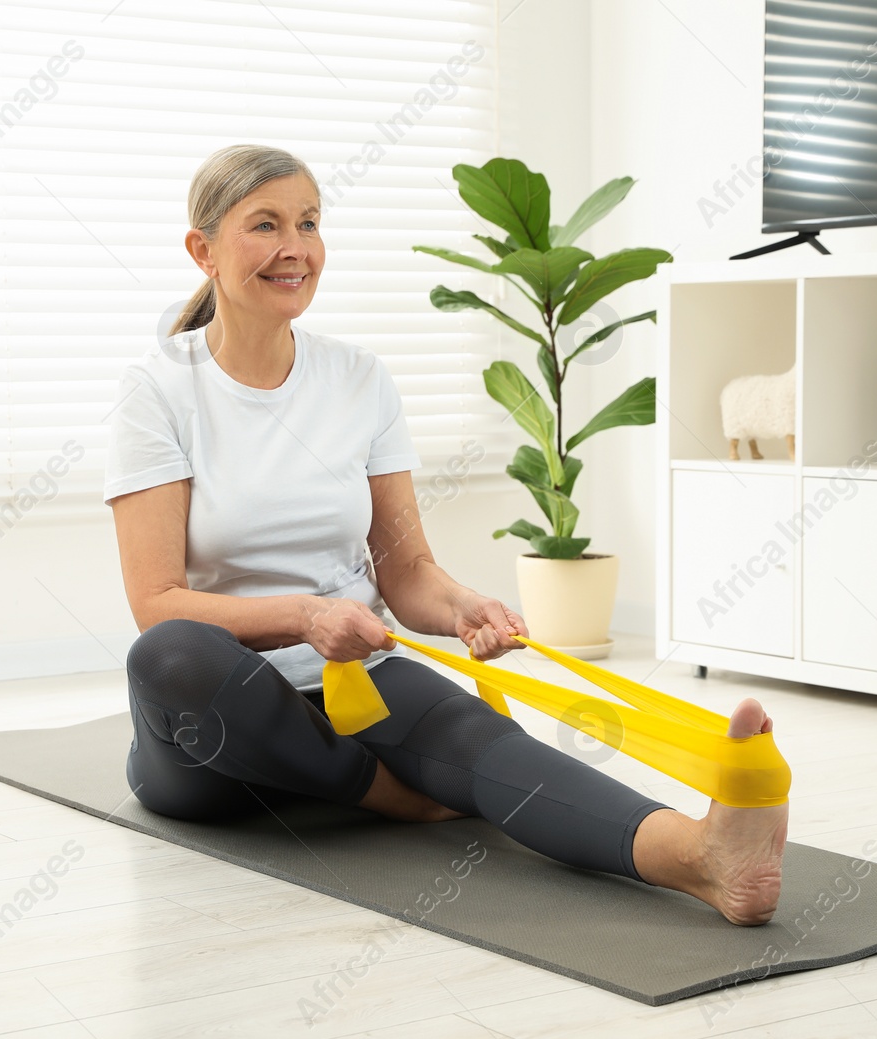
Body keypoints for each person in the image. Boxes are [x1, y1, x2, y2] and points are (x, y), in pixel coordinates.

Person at [103, 144, 788, 926]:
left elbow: (406, 572)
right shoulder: (159, 388)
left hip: (353, 681)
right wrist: (307, 616)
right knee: (168, 656)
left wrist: (462, 605)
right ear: (203, 249)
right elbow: (157, 602)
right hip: (216, 732)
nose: (296, 247)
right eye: (265, 225)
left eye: (309, 222)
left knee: (483, 739)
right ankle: (399, 796)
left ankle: (703, 855)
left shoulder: (359, 379)